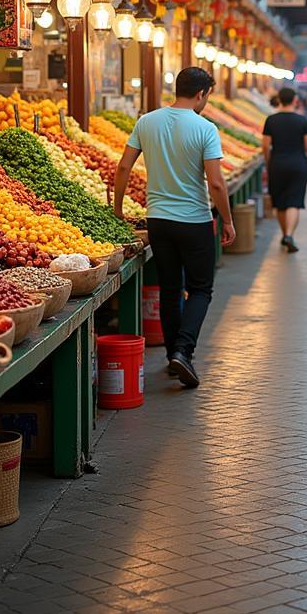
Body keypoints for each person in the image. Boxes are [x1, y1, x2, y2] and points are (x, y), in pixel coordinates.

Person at [114, 67, 234, 389]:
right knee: (200, 289)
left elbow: (124, 165)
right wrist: (228, 220)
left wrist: (117, 209)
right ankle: (184, 349)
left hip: (158, 221)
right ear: (201, 94)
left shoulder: (146, 121)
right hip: (194, 221)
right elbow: (217, 184)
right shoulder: (205, 128)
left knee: (170, 289)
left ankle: (173, 357)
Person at [262, 87, 307, 253]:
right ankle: (290, 235)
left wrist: (269, 161)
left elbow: (265, 145)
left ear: (279, 100)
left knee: (279, 202)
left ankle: (285, 233)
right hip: (298, 164)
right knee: (294, 201)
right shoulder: (302, 120)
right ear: (295, 101)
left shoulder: (271, 120)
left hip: (277, 163)